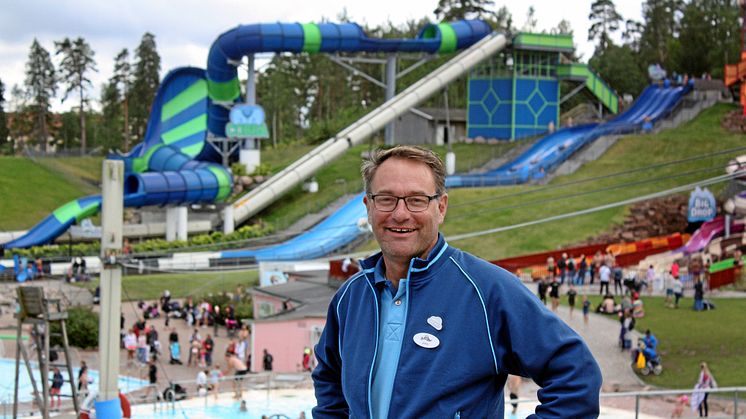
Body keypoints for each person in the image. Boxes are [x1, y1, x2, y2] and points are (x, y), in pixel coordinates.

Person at [312, 146, 601, 417]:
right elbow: (329, 382)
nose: (400, 214)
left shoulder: (486, 290)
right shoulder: (350, 298)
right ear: (368, 206)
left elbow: (576, 376)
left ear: (441, 207)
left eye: (416, 200)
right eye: (386, 199)